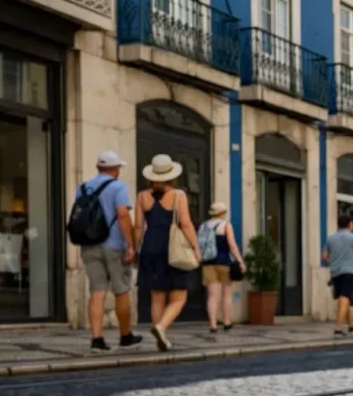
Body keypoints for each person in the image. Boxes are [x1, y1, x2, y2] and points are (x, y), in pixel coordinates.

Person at [135, 154, 200, 352]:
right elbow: (186, 223)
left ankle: (159, 337)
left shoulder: (142, 196)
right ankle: (162, 327)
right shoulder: (179, 195)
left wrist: (134, 248)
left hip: (150, 246)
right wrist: (196, 248)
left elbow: (138, 226)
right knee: (179, 296)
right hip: (171, 247)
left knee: (157, 296)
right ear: (172, 176)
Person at [77, 151, 140, 352]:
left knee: (97, 290)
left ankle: (96, 339)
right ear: (115, 169)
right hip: (114, 245)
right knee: (121, 289)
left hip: (89, 244)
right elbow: (123, 215)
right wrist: (131, 244)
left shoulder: (83, 188)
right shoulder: (117, 186)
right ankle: (125, 336)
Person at [197, 202, 245, 333]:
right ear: (223, 213)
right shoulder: (225, 225)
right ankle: (227, 321)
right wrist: (240, 261)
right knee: (226, 295)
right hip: (224, 263)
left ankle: (212, 324)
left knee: (212, 296)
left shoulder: (203, 226)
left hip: (208, 263)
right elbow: (232, 245)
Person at [322, 214, 353, 336]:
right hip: (349, 271)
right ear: (349, 224)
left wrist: (333, 261)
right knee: (345, 297)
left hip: (335, 272)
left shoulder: (330, 238)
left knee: (343, 297)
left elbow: (324, 256)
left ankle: (351, 324)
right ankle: (338, 327)